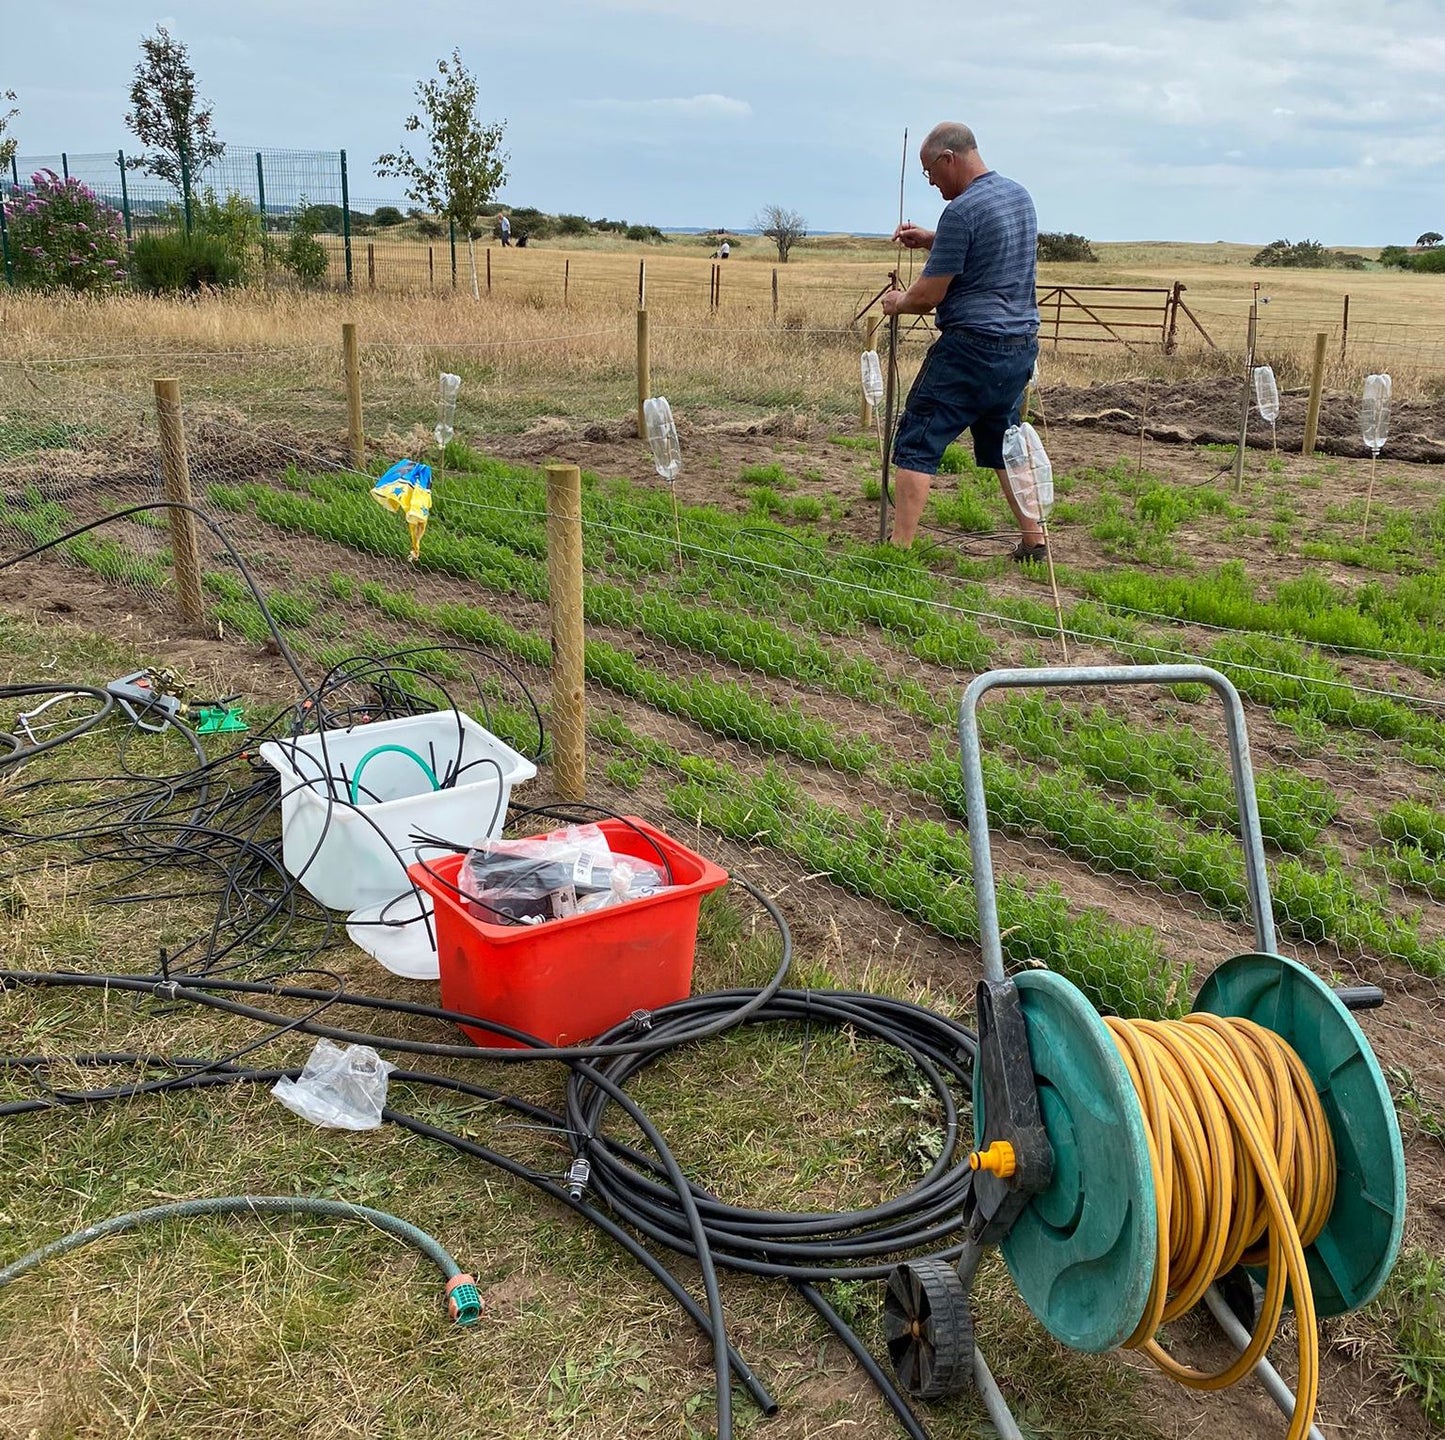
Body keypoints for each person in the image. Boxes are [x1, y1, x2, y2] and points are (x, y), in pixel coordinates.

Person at [882, 122, 1041, 558]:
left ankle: (898, 550)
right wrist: (935, 240)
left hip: (970, 348)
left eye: (931, 172)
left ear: (949, 158)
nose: (931, 182)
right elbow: (990, 246)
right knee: (1005, 442)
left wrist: (898, 301)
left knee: (918, 438)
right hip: (1020, 347)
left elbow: (929, 296)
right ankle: (1034, 541)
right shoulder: (1018, 196)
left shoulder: (962, 210)